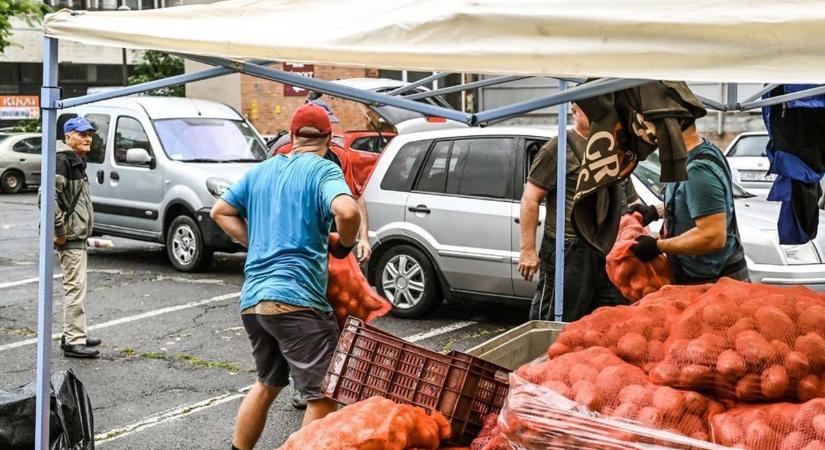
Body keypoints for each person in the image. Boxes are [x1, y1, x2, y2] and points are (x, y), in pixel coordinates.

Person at [211, 104, 361, 450]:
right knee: (322, 396)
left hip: (254, 303)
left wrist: (258, 240)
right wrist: (345, 245)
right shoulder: (323, 170)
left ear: (292, 136)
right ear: (329, 139)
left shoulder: (260, 171)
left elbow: (221, 211)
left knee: (267, 383)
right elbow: (347, 210)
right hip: (297, 302)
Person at [518, 104, 627, 322]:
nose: (598, 114)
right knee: (554, 323)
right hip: (567, 249)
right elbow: (530, 198)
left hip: (603, 250)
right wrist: (527, 250)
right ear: (574, 109)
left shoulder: (611, 146)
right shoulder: (558, 148)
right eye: (591, 107)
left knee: (602, 322)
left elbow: (624, 195)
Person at [628, 125, 749, 284]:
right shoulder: (696, 153)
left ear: (669, 124)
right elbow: (697, 202)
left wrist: (657, 246)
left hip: (715, 286)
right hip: (702, 281)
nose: (644, 134)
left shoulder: (696, 170)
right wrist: (655, 212)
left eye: (647, 126)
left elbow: (712, 236)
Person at [38, 117, 101, 358]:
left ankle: (75, 333)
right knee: (75, 288)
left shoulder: (73, 160)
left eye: (90, 134)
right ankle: (74, 341)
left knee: (77, 287)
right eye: (82, 134)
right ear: (68, 136)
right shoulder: (63, 161)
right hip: (70, 236)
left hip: (75, 234)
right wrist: (60, 231)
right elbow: (48, 199)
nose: (88, 138)